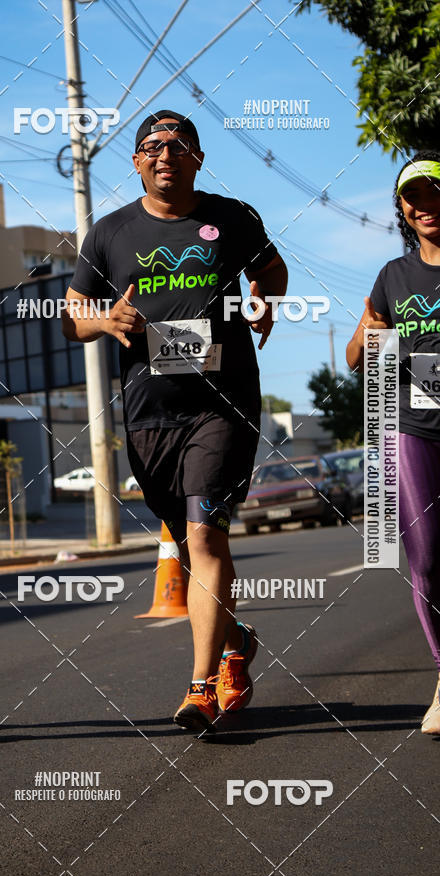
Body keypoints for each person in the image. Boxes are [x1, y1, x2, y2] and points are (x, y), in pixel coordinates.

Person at [63, 109, 287, 734]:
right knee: (186, 546)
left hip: (223, 403)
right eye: (151, 145)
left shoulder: (234, 218)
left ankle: (199, 689)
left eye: (178, 144)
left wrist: (264, 296)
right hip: (149, 412)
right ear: (135, 161)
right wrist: (106, 320)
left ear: (198, 157)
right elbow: (74, 314)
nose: (164, 153)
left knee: (207, 536)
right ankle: (235, 636)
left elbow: (271, 268)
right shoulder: (109, 232)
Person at [346, 150, 440, 736]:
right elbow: (356, 359)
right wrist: (368, 336)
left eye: (435, 192)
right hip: (416, 432)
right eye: (413, 196)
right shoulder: (392, 278)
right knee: (427, 560)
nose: (425, 204)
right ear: (402, 207)